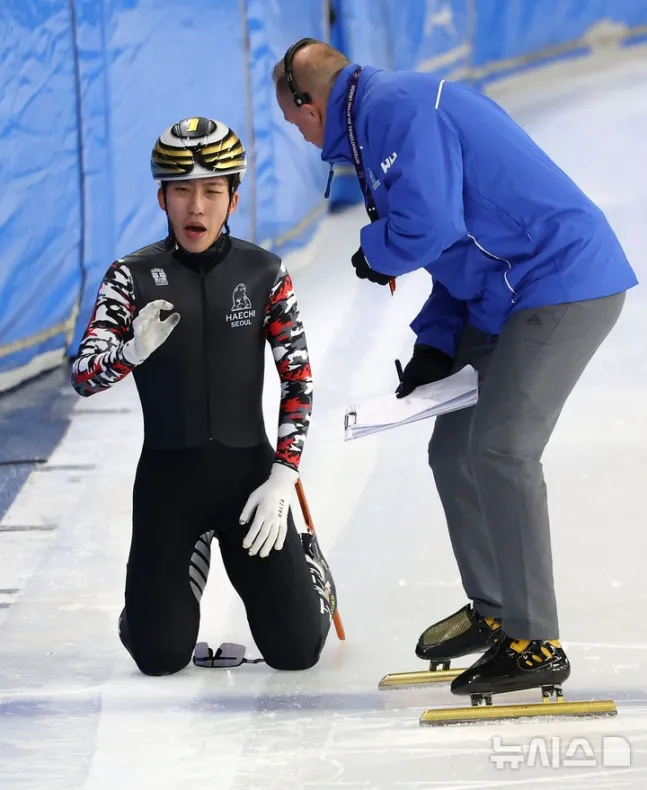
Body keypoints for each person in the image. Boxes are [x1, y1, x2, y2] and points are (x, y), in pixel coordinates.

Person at [272, 39, 637, 698]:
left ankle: (535, 640)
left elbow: (428, 227)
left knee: (501, 448)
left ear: (309, 101)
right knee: (454, 450)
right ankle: (497, 608)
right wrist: (435, 344)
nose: (298, 136)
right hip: (504, 290)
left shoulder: (394, 109)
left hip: (561, 280)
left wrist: (376, 250)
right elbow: (459, 250)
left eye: (293, 121)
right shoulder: (380, 117)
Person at [71, 116, 336, 676]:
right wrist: (129, 352)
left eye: (212, 191)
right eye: (182, 191)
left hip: (251, 485)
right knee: (159, 656)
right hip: (169, 486)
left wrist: (283, 476)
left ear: (232, 199)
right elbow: (85, 376)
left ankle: (310, 573)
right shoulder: (129, 276)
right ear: (162, 199)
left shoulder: (265, 272)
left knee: (296, 652)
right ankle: (157, 596)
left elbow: (298, 379)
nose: (197, 207)